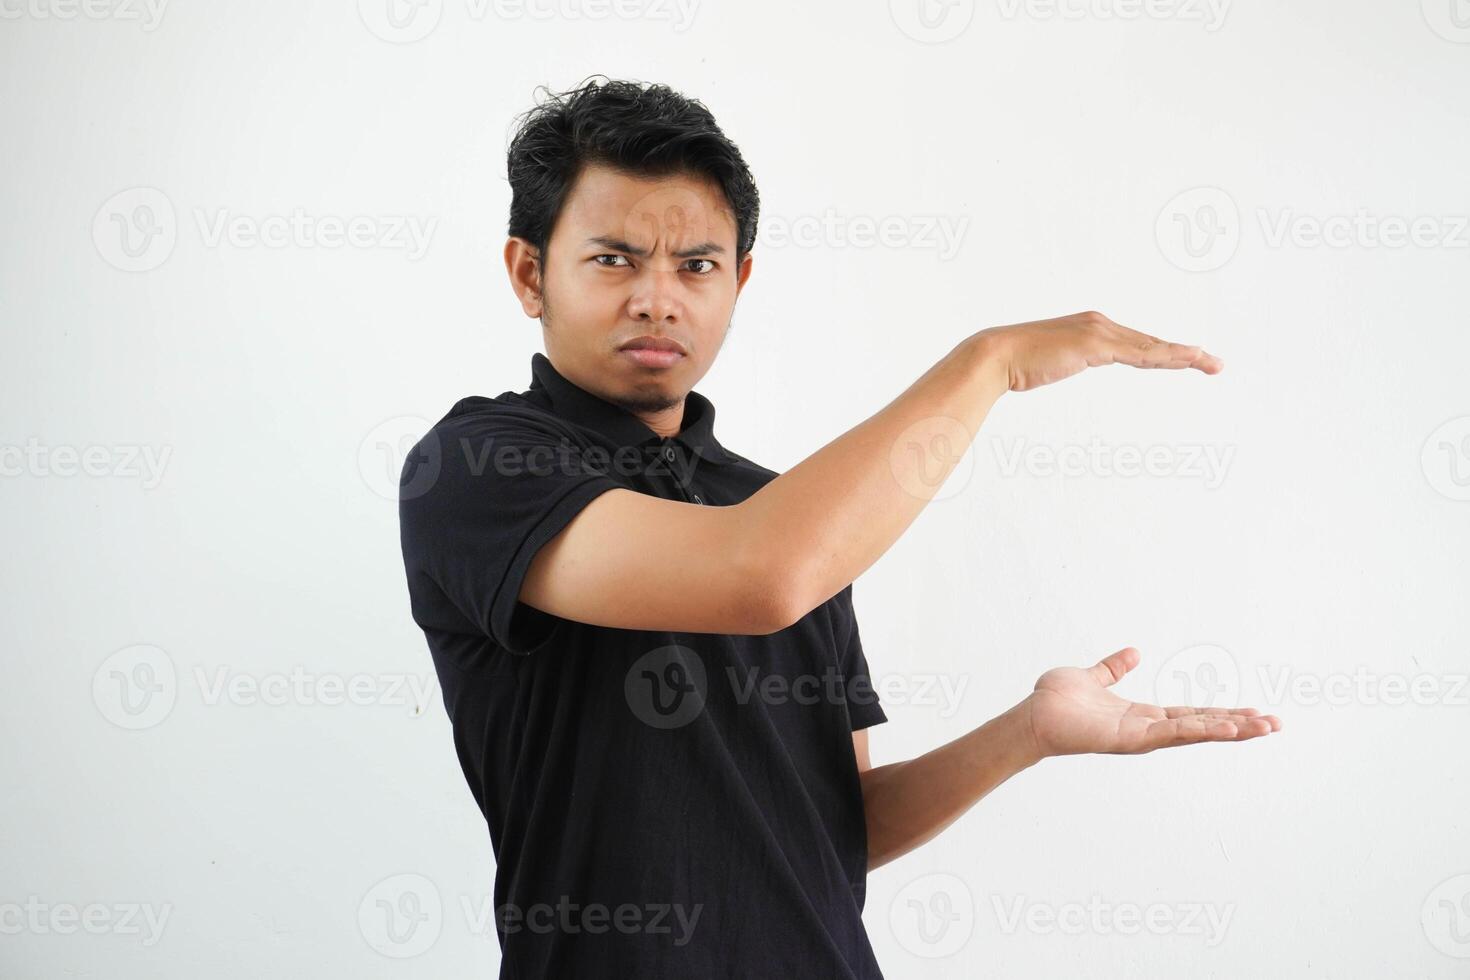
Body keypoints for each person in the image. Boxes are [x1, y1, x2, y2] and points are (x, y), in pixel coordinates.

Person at [396, 75, 1281, 979]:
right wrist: (992, 362)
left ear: (738, 281)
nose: (658, 299)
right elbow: (759, 576)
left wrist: (1032, 731)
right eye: (615, 259)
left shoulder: (784, 508)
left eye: (696, 266)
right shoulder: (478, 466)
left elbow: (841, 827)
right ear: (529, 273)